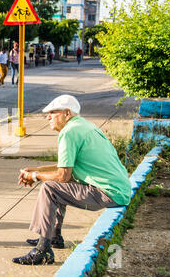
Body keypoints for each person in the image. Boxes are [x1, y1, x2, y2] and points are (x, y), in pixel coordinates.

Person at [12, 94, 131, 265]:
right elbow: (65, 166)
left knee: (50, 188)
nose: (48, 117)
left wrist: (35, 176)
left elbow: (63, 175)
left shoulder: (68, 132)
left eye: (53, 112)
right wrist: (37, 169)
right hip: (118, 190)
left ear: (67, 113)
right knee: (59, 186)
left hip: (108, 193)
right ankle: (53, 236)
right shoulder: (83, 126)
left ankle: (42, 249)